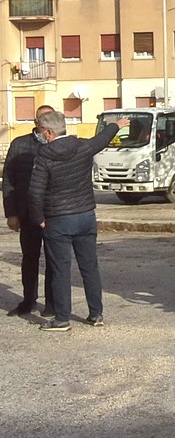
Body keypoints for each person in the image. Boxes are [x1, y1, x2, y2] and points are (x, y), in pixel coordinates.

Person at [28, 111, 129, 332]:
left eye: (41, 131)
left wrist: (39, 219)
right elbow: (100, 141)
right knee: (90, 267)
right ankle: (96, 313)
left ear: (48, 132)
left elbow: (35, 193)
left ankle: (62, 318)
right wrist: (116, 126)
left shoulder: (44, 156)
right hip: (85, 216)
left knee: (60, 270)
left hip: (58, 219)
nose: (40, 135)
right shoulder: (82, 146)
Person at [2, 105, 56, 316]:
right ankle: (28, 300)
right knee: (30, 258)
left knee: (53, 260)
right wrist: (11, 213)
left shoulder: (58, 144)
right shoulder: (20, 144)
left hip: (52, 213)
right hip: (27, 213)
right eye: (43, 120)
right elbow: (8, 180)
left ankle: (52, 303)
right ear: (36, 123)